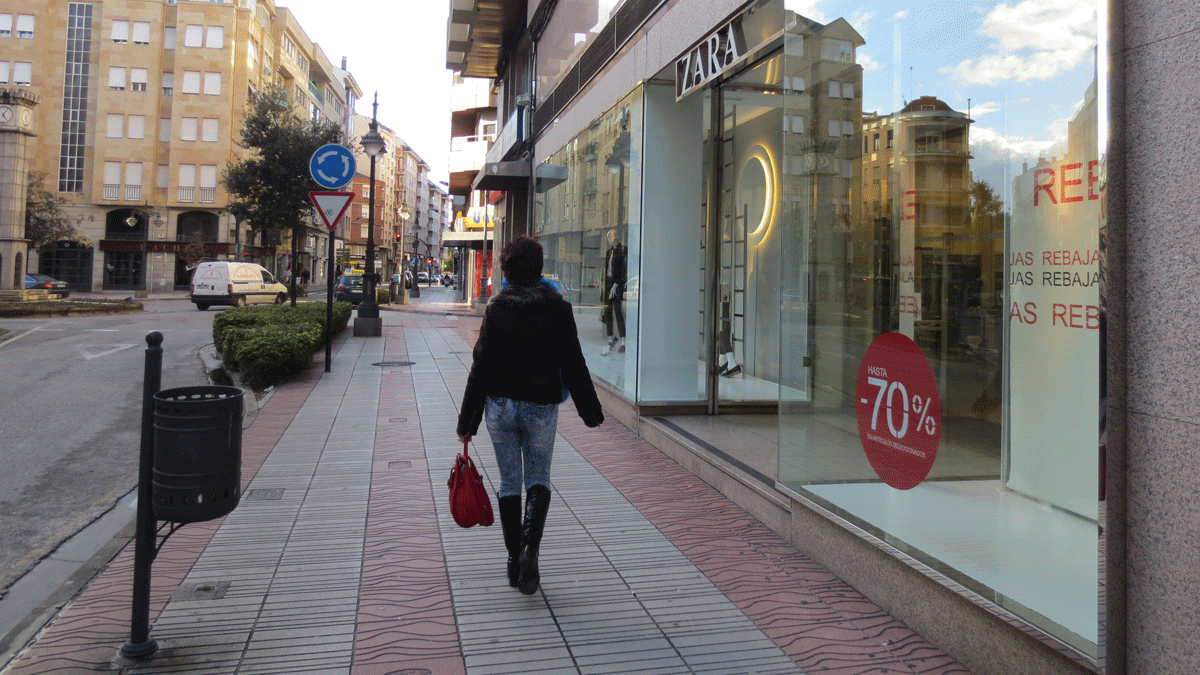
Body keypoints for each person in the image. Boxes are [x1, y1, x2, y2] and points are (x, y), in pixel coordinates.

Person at [457, 236, 604, 595]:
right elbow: (573, 365)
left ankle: (512, 562)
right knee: (538, 478)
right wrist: (590, 411)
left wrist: (467, 423)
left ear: (506, 270)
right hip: (540, 406)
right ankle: (529, 550)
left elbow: (480, 368)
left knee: (509, 483)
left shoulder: (496, 309)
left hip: (500, 407)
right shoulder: (558, 309)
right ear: (539, 268)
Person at [600, 229, 626, 355]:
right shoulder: (608, 252)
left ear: (617, 237)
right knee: (608, 312)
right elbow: (606, 271)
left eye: (612, 236)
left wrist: (616, 284)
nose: (610, 238)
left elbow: (623, 270)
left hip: (618, 285)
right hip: (608, 284)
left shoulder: (623, 250)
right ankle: (610, 338)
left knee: (618, 312)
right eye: (609, 236)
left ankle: (623, 341)